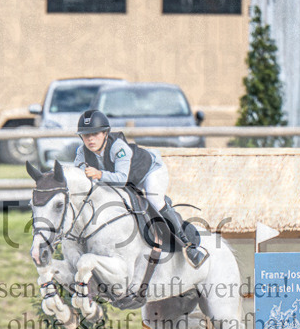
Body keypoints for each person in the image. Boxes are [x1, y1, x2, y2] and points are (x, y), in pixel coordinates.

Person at [73, 109, 208, 268]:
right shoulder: (82, 151)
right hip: (128, 181)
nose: (89, 139)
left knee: (154, 201)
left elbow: (122, 179)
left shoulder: (118, 147)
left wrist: (99, 174)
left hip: (149, 172)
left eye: (94, 134)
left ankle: (188, 245)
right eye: (85, 135)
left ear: (105, 133)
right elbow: (78, 175)